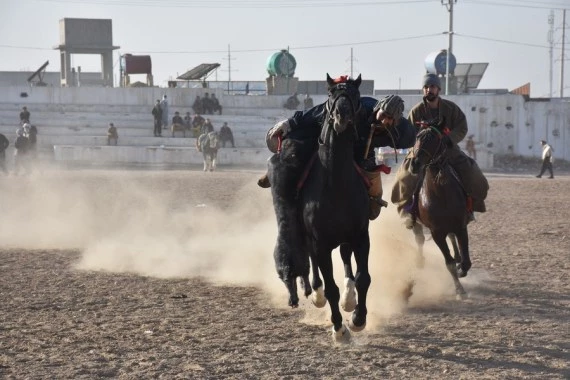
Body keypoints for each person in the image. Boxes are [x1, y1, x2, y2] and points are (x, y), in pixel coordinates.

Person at [261, 76, 416, 220]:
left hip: (364, 155)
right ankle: (277, 173)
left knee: (374, 202)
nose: (384, 119)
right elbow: (321, 110)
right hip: (335, 146)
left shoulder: (397, 130)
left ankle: (371, 205)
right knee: (302, 152)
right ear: (379, 107)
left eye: (389, 118)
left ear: (395, 121)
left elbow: (410, 138)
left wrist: (392, 133)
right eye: (383, 114)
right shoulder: (360, 106)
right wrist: (291, 123)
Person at [391, 73, 489, 229]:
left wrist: (449, 139)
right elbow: (410, 133)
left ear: (438, 89)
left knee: (471, 170)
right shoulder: (416, 112)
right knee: (404, 176)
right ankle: (407, 213)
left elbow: (462, 127)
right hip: (422, 153)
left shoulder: (451, 109)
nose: (429, 90)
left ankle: (471, 207)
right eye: (426, 87)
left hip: (448, 150)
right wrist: (416, 147)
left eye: (432, 87)